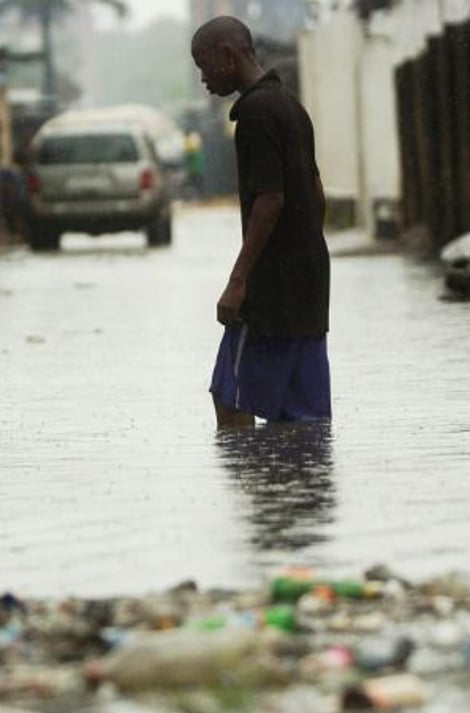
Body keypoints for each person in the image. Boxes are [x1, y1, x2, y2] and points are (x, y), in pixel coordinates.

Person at [191, 16, 331, 428]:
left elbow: (269, 200)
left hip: (270, 286)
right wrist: (305, 253)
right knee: (304, 415)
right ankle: (303, 489)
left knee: (231, 397)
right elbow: (316, 191)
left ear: (228, 55)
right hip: (309, 282)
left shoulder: (254, 114)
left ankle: (263, 490)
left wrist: (239, 281)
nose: (202, 78)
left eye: (203, 65)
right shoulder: (291, 106)